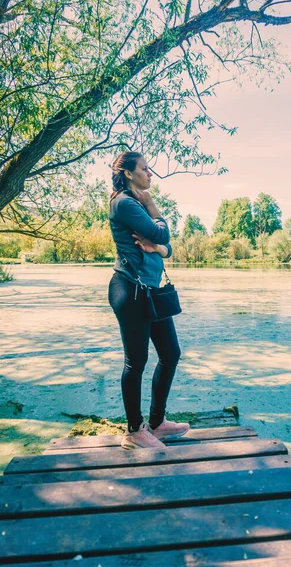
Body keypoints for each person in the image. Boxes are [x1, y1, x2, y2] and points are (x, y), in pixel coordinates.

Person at [108, 151, 189, 449]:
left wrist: (160, 249)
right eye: (144, 168)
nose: (150, 173)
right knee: (137, 361)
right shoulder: (125, 203)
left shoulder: (132, 203)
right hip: (130, 290)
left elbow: (163, 245)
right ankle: (133, 430)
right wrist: (153, 207)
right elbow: (162, 232)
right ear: (129, 174)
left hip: (149, 290)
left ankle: (156, 423)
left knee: (170, 353)